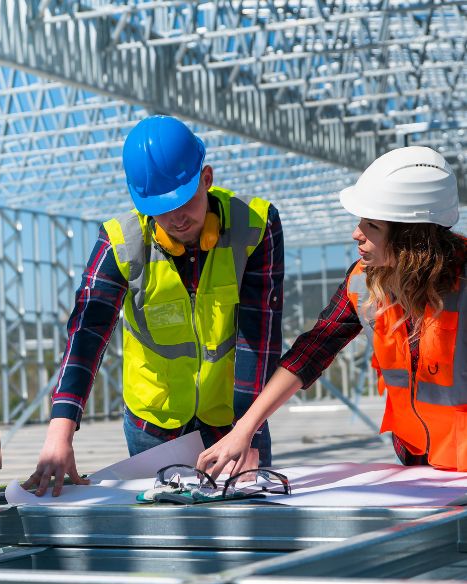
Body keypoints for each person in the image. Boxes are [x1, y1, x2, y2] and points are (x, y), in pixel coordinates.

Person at [22, 115, 284, 496]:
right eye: (161, 208)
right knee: (167, 541)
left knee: (248, 530)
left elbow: (258, 340)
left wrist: (248, 431)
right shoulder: (121, 244)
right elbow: (86, 334)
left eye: (186, 200)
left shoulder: (255, 227)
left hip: (234, 416)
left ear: (206, 179)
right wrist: (59, 433)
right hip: (153, 426)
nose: (177, 217)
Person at [197, 145, 466, 479]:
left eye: (372, 226)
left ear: (411, 238)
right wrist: (245, 428)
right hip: (419, 466)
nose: (357, 233)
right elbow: (311, 350)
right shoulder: (364, 282)